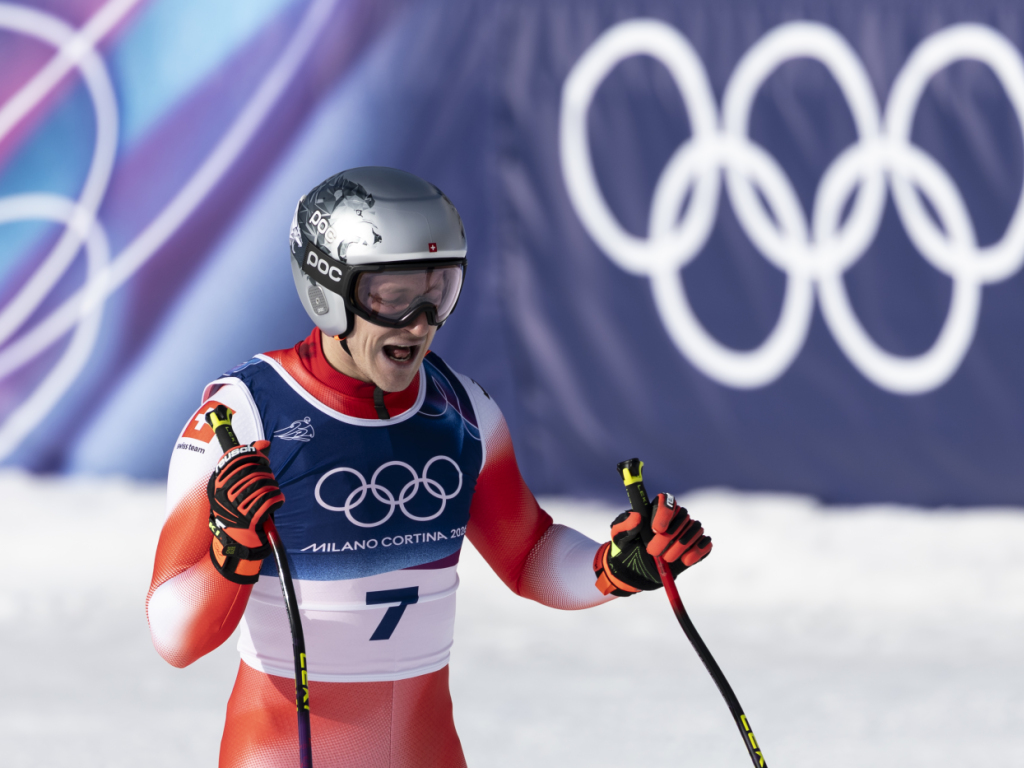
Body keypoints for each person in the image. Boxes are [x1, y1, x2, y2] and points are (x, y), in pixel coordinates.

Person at [146, 167, 712, 768]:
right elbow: (173, 638)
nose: (419, 323)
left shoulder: (463, 409)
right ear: (327, 291)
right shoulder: (243, 418)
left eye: (438, 291)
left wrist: (613, 567)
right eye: (392, 297)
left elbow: (528, 554)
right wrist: (231, 553)